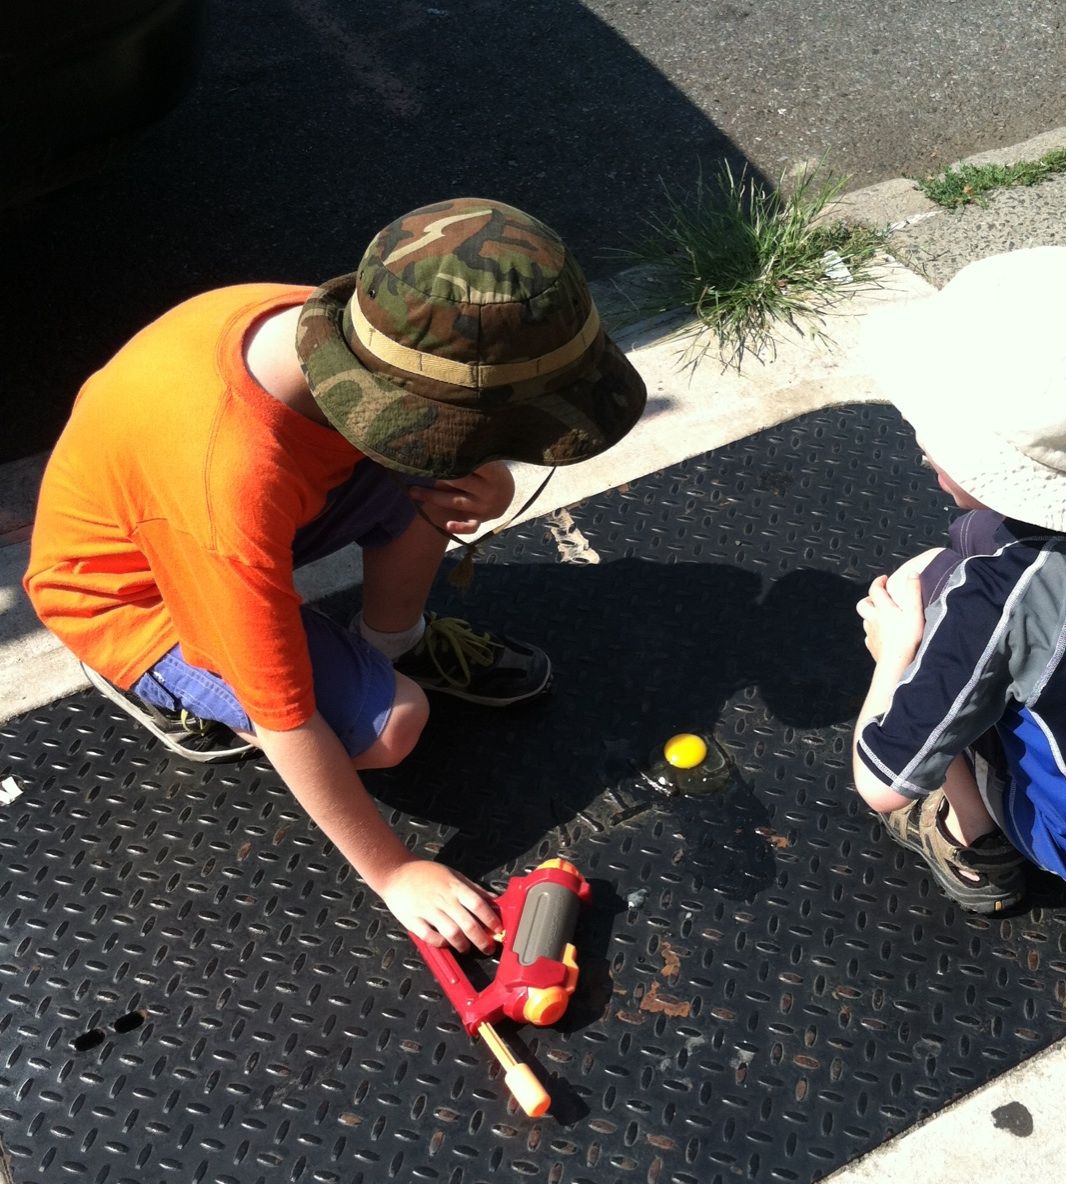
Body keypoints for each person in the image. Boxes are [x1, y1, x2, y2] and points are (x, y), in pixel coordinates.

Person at [25, 198, 645, 950]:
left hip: (236, 522)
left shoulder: (346, 332)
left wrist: (487, 481)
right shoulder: (227, 484)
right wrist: (392, 872)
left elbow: (437, 438)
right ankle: (149, 678)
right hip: (132, 593)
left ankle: (389, 640)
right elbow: (285, 714)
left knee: (429, 493)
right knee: (394, 728)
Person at [851, 245, 1066, 914]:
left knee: (912, 607)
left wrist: (893, 648)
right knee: (941, 572)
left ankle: (974, 841)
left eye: (932, 427)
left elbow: (881, 781)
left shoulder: (996, 599)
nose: (920, 442)